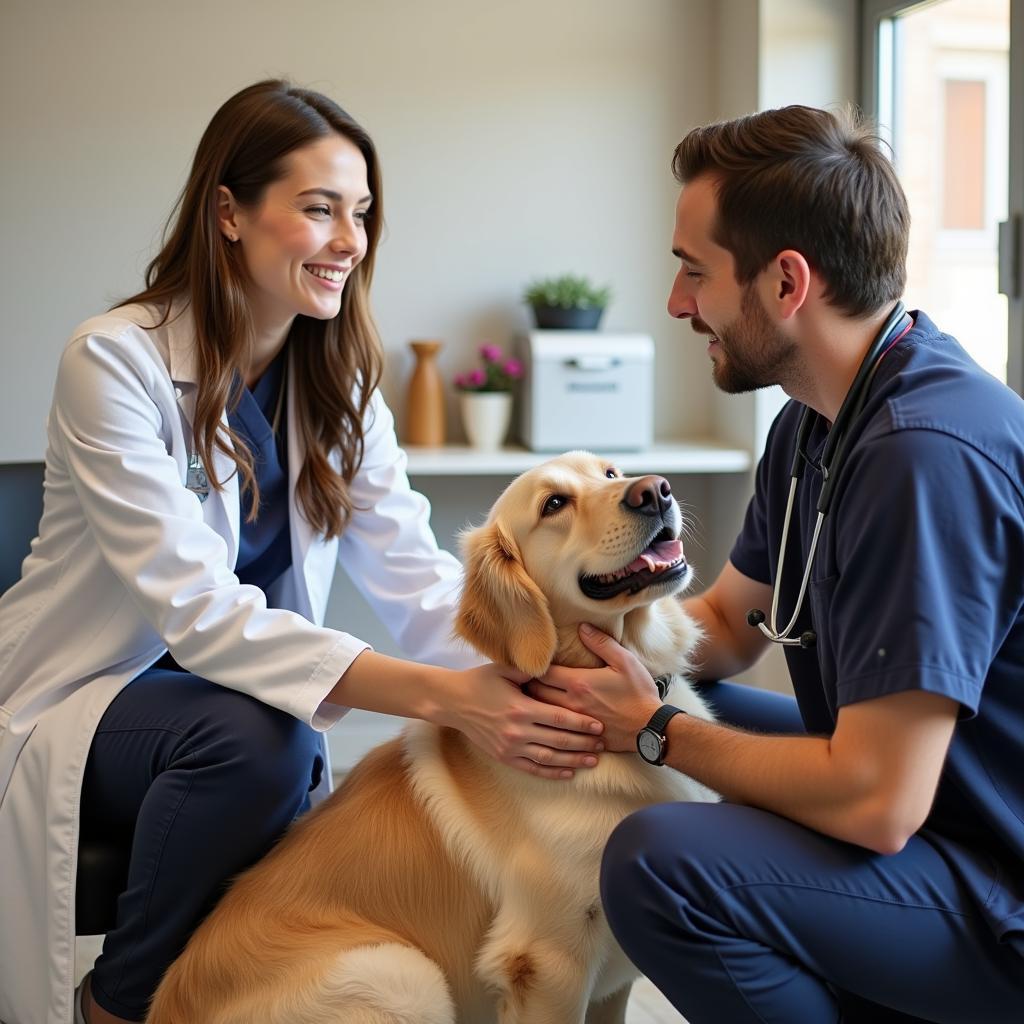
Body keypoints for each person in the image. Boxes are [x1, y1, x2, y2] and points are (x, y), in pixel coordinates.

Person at [0, 79, 607, 1024]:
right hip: (95, 692)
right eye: (318, 208)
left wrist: (541, 675)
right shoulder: (113, 361)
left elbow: (415, 580)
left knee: (267, 728)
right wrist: (448, 696)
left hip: (225, 692)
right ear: (230, 213)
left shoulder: (340, 384)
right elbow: (197, 613)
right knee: (262, 737)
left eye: (360, 214)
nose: (348, 241)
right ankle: (116, 1008)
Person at [529, 105, 1024, 1023]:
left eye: (694, 272)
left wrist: (652, 731)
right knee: (699, 702)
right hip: (930, 813)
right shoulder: (817, 420)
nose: (678, 304)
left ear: (788, 280)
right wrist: (571, 667)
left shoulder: (925, 455)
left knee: (657, 862)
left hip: (995, 890)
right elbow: (721, 629)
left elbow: (878, 802)